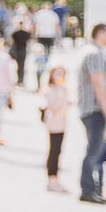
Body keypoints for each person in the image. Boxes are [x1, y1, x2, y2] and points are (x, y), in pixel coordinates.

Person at [78, 23, 106, 204]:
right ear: (100, 34)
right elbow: (98, 83)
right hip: (94, 109)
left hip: (90, 109)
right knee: (95, 150)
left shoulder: (88, 51)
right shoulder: (94, 53)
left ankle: (91, 188)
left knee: (95, 149)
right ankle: (87, 189)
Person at [42, 65, 70, 193]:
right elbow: (54, 106)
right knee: (53, 151)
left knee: (58, 151)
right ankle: (51, 180)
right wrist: (64, 98)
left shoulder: (62, 88)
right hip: (54, 123)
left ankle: (55, 179)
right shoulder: (50, 89)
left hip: (61, 123)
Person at [8, 10, 32, 87]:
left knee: (17, 66)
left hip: (17, 50)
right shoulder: (26, 33)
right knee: (21, 66)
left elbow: (10, 41)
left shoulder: (15, 33)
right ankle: (20, 80)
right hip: (22, 50)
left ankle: (19, 79)